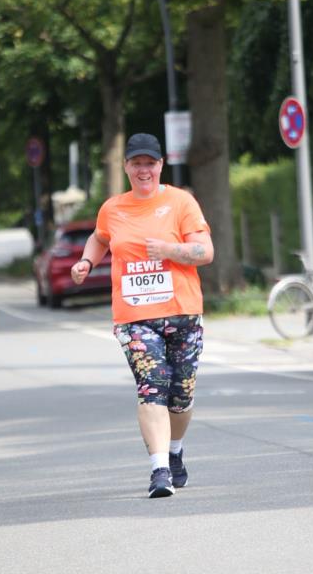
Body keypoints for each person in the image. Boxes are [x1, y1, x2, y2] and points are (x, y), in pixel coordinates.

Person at [71, 133, 214, 498]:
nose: (143, 170)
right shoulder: (113, 208)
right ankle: (159, 471)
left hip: (183, 312)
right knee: (153, 386)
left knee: (181, 395)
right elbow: (101, 238)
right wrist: (87, 260)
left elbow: (205, 251)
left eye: (150, 163)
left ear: (161, 165)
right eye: (137, 163)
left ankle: (175, 450)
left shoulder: (181, 202)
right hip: (134, 318)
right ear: (126, 167)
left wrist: (170, 250)